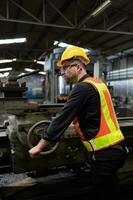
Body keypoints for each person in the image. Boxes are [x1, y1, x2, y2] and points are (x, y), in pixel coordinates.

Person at [29, 46, 128, 199]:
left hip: (103, 153)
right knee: (111, 189)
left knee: (106, 193)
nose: (62, 73)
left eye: (65, 68)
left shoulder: (82, 88)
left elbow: (62, 118)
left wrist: (40, 146)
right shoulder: (98, 83)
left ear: (78, 67)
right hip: (116, 148)